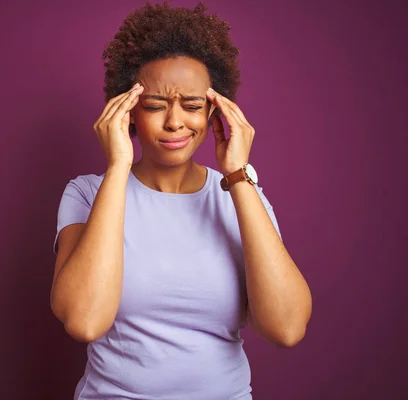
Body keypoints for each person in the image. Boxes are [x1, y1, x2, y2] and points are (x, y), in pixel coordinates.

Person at [50, 1, 312, 399]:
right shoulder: (86, 193)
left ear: (214, 112)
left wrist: (238, 175)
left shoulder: (241, 194)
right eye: (155, 106)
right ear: (128, 111)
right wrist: (118, 165)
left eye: (191, 106)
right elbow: (85, 321)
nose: (175, 122)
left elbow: (287, 327)